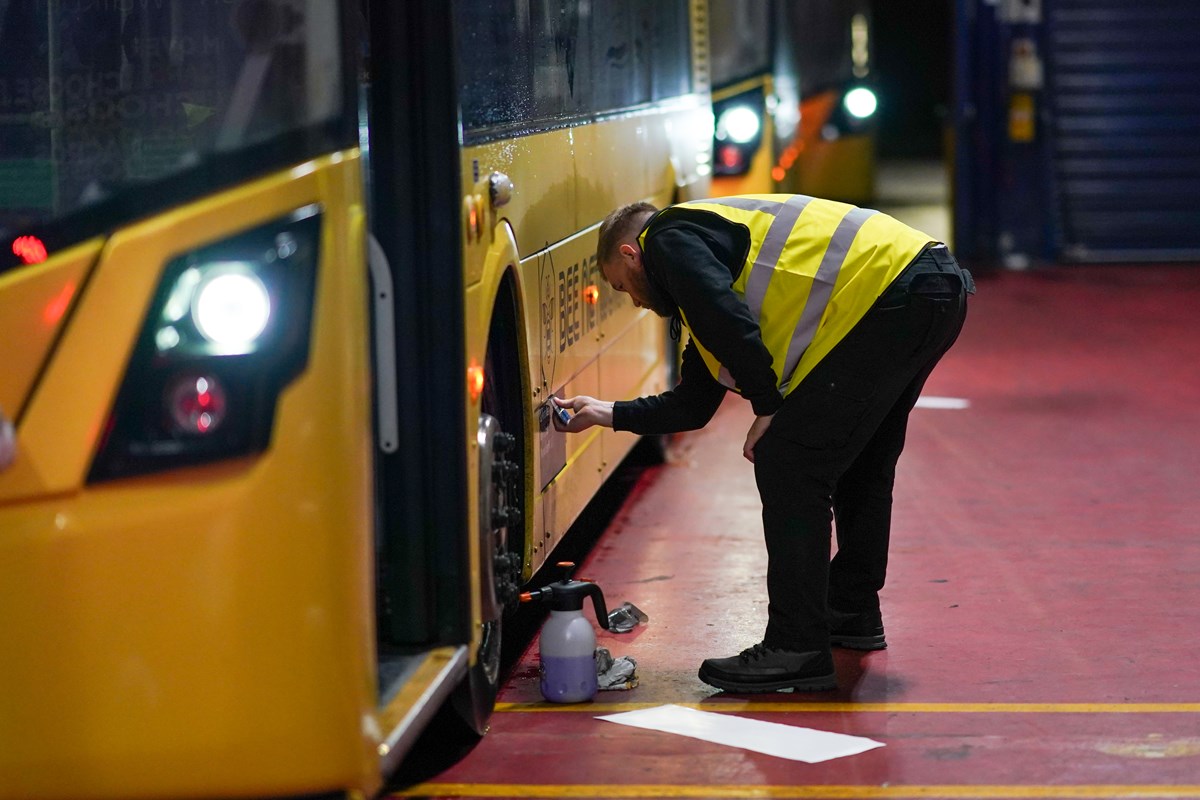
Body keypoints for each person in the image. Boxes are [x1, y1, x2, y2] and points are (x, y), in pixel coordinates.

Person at [553, 194, 973, 693]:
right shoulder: (706, 256)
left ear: (630, 254)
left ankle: (797, 646)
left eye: (625, 288)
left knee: (788, 461)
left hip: (894, 293)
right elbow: (694, 404)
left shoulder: (666, 238)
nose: (637, 303)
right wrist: (607, 414)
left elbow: (726, 318)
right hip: (926, 285)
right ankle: (850, 611)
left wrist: (768, 406)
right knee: (862, 463)